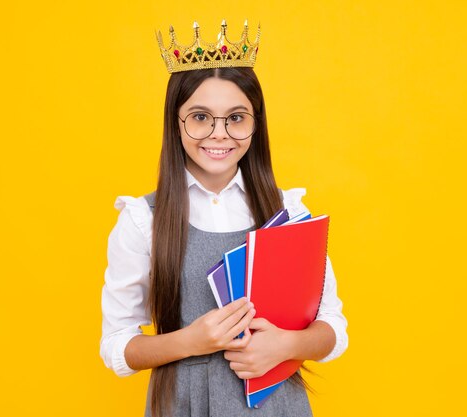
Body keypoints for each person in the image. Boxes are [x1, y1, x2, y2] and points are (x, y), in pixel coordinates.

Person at [100, 20, 348, 417]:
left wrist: (287, 346)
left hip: (277, 405)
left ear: (255, 123)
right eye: (200, 117)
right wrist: (193, 340)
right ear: (175, 122)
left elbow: (332, 329)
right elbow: (117, 346)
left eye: (236, 117)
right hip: (184, 405)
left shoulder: (288, 212)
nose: (219, 134)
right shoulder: (141, 220)